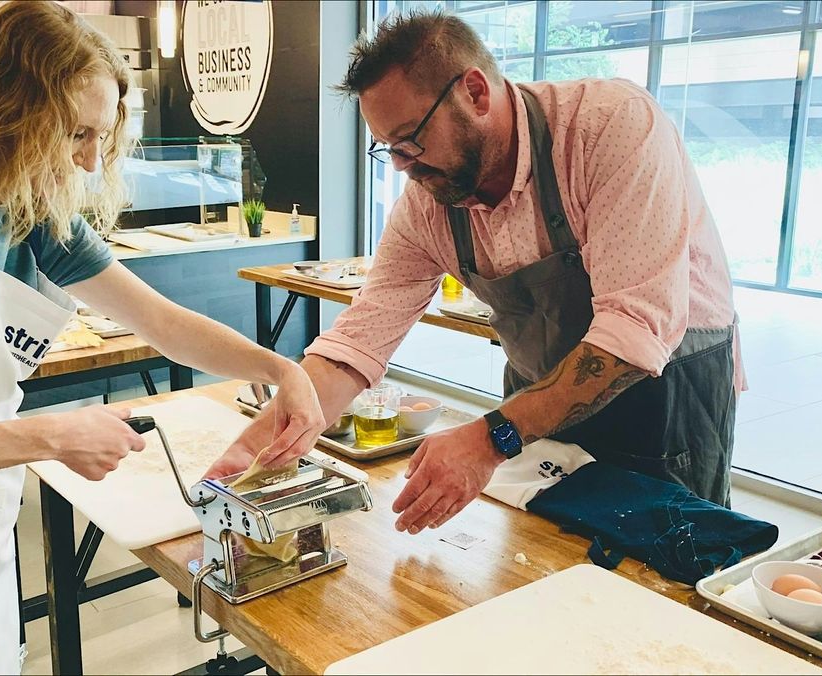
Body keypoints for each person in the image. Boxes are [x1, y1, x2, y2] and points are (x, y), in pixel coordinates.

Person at [0, 3, 323, 673]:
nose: (89, 160)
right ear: (6, 111)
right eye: (77, 132)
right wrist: (50, 435)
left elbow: (162, 323)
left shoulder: (28, 210)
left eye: (102, 137)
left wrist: (281, 369)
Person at [212, 10, 743, 530]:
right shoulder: (427, 203)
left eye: (410, 140)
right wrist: (251, 449)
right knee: (544, 562)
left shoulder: (607, 127)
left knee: (661, 582)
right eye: (389, 150)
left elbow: (635, 328)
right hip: (541, 394)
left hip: (667, 394)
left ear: (475, 92)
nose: (402, 167)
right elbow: (360, 340)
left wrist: (491, 439)